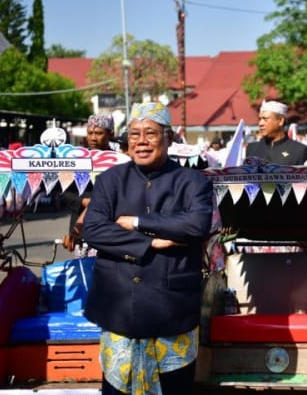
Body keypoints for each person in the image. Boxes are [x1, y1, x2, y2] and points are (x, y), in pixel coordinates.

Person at [82, 102, 214, 395]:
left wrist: (137, 222)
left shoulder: (192, 182)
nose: (141, 141)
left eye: (150, 133)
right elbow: (92, 229)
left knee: (174, 388)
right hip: (119, 310)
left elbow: (195, 225)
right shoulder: (110, 181)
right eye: (134, 134)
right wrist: (150, 241)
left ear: (168, 138)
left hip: (171, 310)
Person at [61, 114, 115, 253]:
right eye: (90, 133)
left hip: (110, 232)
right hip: (80, 233)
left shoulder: (118, 161)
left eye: (98, 133)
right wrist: (83, 201)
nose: (93, 138)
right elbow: (64, 194)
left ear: (110, 134)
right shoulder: (76, 161)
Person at [245, 100, 307, 165]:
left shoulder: (300, 151)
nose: (260, 123)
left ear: (280, 121)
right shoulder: (252, 149)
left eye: (265, 119)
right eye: (259, 119)